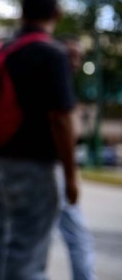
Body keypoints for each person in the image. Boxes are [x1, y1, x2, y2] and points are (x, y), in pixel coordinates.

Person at [0, 0, 78, 280]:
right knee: (27, 258)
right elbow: (61, 120)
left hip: (0, 164)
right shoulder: (52, 54)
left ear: (22, 13)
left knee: (5, 246)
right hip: (35, 167)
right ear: (57, 14)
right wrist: (71, 175)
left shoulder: (5, 51)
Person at [56, 36, 97, 280]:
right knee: (78, 237)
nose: (75, 62)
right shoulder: (57, 86)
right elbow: (64, 132)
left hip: (50, 171)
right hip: (53, 172)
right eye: (70, 55)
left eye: (79, 57)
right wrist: (71, 178)